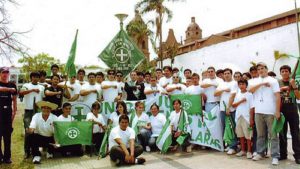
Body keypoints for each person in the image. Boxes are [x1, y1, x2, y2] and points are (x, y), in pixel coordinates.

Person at [249, 62, 280, 165]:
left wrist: (277, 111)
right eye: (258, 69)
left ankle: (275, 156)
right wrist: (262, 84)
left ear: (266, 69)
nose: (260, 70)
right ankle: (260, 153)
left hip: (270, 112)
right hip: (258, 111)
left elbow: (277, 96)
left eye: (262, 68)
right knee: (260, 135)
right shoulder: (254, 81)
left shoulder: (273, 81)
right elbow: (250, 90)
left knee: (273, 135)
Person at [19, 71, 45, 159]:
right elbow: (21, 93)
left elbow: (44, 97)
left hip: (38, 111)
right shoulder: (26, 85)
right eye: (34, 76)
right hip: (29, 111)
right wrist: (32, 90)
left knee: (37, 132)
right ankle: (27, 151)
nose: (35, 78)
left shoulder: (41, 87)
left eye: (37, 77)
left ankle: (35, 150)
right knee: (28, 131)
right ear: (31, 78)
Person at [278, 65, 300, 164]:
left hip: (292, 110)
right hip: (282, 109)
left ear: (290, 72)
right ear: (280, 73)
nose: (284, 73)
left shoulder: (294, 81)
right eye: (282, 71)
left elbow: (298, 97)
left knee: (295, 133)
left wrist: (294, 86)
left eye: (286, 71)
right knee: (282, 133)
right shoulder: (277, 82)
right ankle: (283, 154)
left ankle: (298, 155)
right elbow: (274, 94)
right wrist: (282, 88)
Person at [214, 68, 238, 154]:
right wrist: (223, 90)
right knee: (226, 128)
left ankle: (234, 147)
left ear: (231, 74)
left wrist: (228, 107)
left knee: (233, 127)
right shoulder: (221, 84)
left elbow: (233, 95)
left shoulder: (235, 83)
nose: (226, 75)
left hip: (231, 109)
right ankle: (229, 144)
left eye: (228, 73)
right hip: (222, 109)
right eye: (225, 74)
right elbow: (215, 94)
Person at [232, 79, 254, 159]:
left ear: (246, 85)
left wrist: (251, 119)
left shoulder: (249, 94)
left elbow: (252, 108)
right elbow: (233, 105)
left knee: (248, 136)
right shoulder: (237, 94)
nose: (241, 86)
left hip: (246, 117)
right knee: (240, 135)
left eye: (243, 84)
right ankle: (243, 150)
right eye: (240, 84)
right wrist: (241, 101)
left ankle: (249, 151)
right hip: (238, 117)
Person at [0, 67, 17, 164]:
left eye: (7, 72)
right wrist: (8, 89)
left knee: (7, 137)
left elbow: (14, 100)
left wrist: (14, 112)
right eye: (3, 72)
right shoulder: (9, 87)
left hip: (7, 113)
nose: (5, 74)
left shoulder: (12, 85)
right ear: (0, 74)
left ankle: (7, 157)